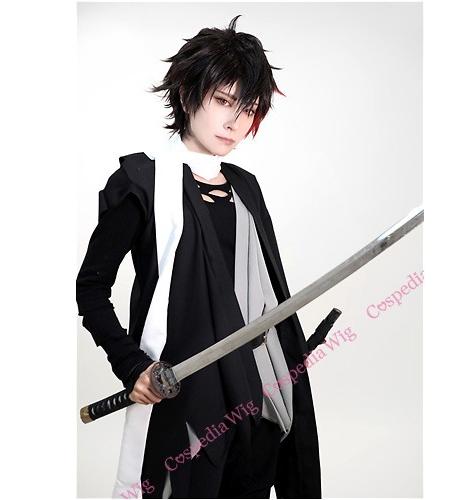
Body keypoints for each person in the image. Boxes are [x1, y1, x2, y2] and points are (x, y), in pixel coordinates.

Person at [76, 15, 321, 498]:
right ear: (188, 95)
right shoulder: (140, 183)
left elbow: (265, 292)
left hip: (261, 397)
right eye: (224, 101)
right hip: (188, 400)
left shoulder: (246, 188)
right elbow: (91, 289)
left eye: (249, 109)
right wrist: (132, 366)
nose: (236, 123)